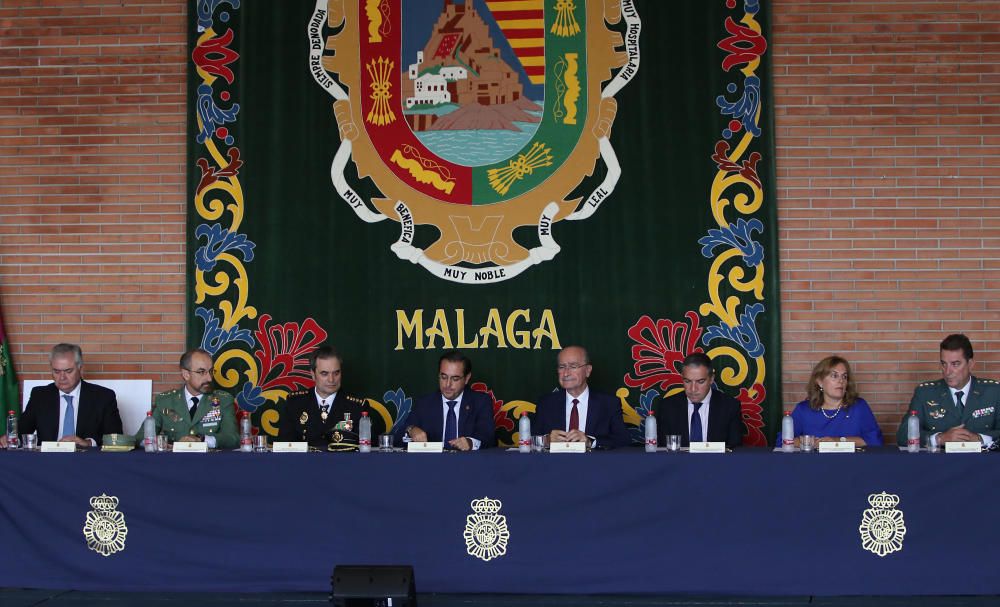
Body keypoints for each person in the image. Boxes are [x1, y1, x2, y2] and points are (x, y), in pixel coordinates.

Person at [5, 343, 122, 448]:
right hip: (47, 462)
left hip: (87, 461)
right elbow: (21, 432)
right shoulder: (39, 396)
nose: (62, 377)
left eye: (68, 371)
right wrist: (8, 439)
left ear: (80, 368)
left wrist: (89, 443)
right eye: (56, 371)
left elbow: (116, 438)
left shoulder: (103, 397)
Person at [896, 334, 1000, 448]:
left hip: (984, 464)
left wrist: (981, 439)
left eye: (955, 364)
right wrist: (939, 438)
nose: (947, 371)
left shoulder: (993, 392)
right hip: (939, 464)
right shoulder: (925, 393)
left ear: (970, 364)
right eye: (944, 364)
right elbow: (903, 435)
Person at [135, 348, 238, 449]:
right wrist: (159, 443)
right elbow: (140, 438)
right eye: (201, 372)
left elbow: (233, 438)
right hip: (174, 463)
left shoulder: (223, 400)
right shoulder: (165, 402)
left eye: (211, 371)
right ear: (186, 374)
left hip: (209, 463)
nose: (209, 378)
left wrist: (202, 439)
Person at [533, 345, 630, 449]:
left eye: (573, 366)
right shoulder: (546, 403)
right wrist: (546, 440)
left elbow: (624, 440)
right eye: (562, 367)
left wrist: (590, 442)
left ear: (588, 370)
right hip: (555, 464)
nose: (566, 373)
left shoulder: (609, 403)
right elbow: (528, 441)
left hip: (595, 464)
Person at [775, 356, 882, 448]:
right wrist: (809, 442)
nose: (841, 381)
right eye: (834, 376)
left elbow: (875, 441)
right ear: (820, 382)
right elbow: (782, 441)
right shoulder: (804, 409)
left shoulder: (858, 406)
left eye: (844, 376)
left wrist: (837, 441)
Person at [398, 351, 495, 450]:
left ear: (466, 378)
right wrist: (411, 430)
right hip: (432, 464)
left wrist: (470, 443)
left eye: (455, 379)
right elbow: (397, 437)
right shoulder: (424, 403)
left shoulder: (481, 402)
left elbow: (488, 437)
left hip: (468, 463)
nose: (447, 384)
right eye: (443, 377)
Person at [278, 345, 368, 450]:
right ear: (313, 374)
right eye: (324, 374)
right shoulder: (295, 403)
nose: (331, 380)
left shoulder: (357, 406)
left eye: (336, 373)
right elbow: (284, 448)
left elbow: (367, 452)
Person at [654, 352, 744, 448]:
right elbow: (662, 448)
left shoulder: (730, 406)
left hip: (717, 463)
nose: (693, 389)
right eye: (687, 381)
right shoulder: (667, 407)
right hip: (678, 463)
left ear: (711, 379)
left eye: (700, 381)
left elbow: (734, 448)